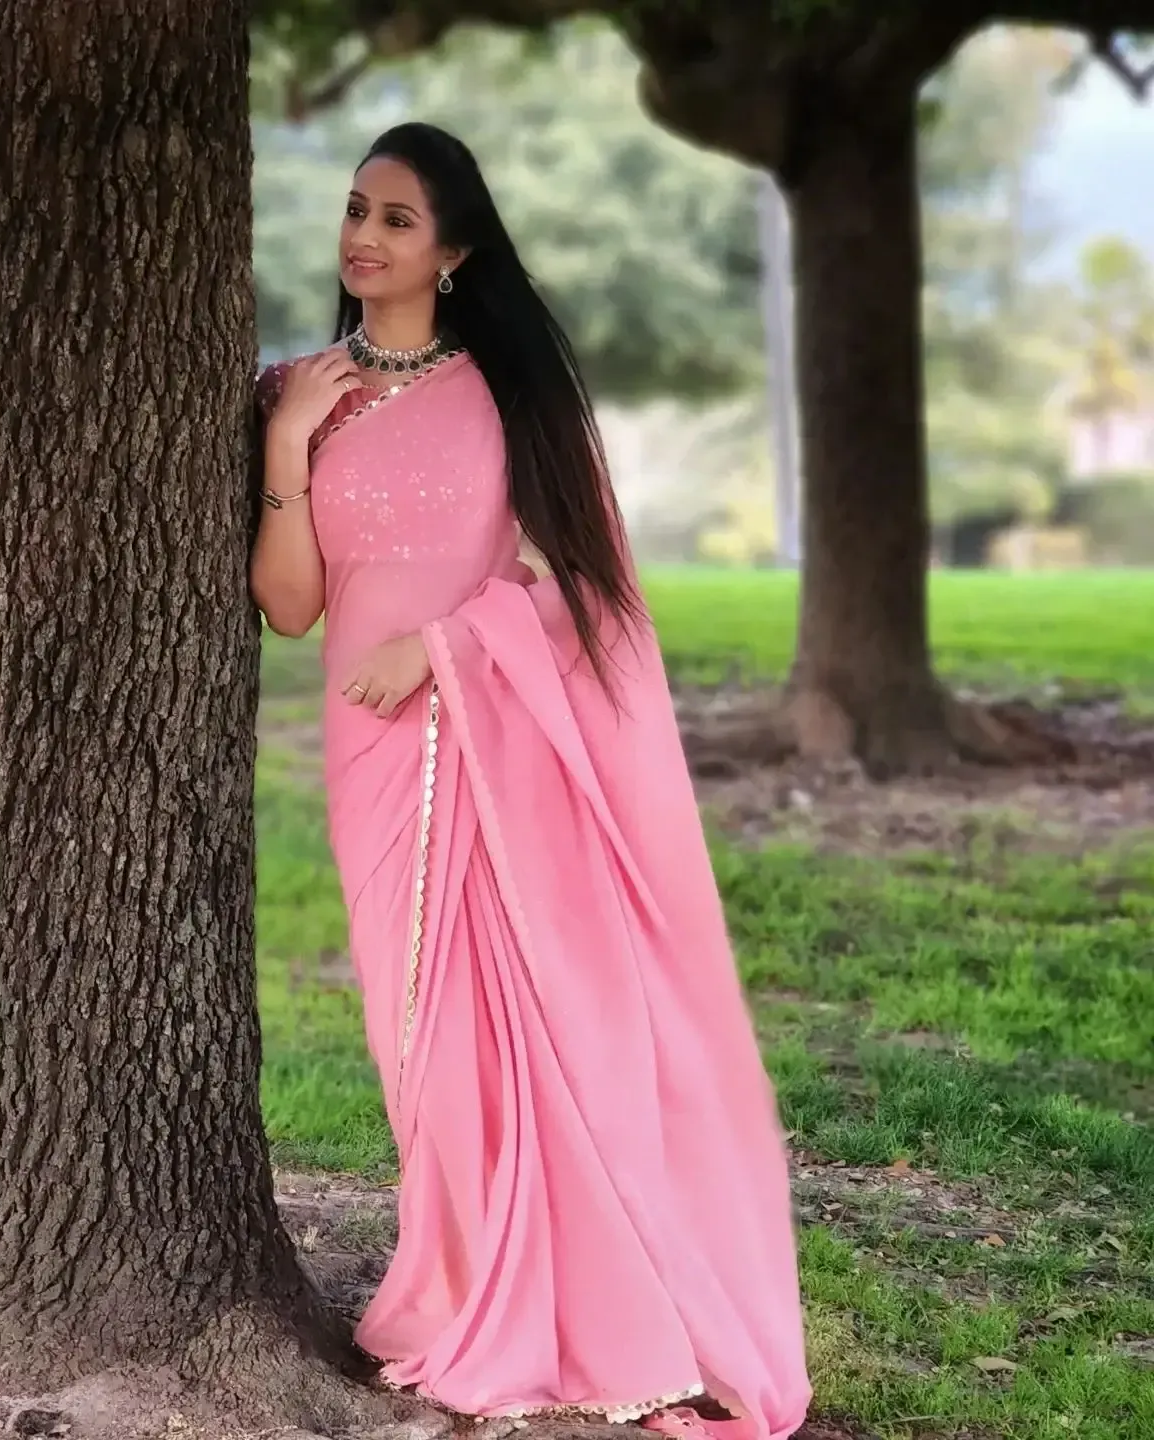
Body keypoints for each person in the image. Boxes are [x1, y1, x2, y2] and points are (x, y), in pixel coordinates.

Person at [249, 123, 810, 1440]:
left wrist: (444, 646)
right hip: (367, 750)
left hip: (488, 739)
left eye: (396, 220)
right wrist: (285, 448)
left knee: (497, 1027)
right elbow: (287, 608)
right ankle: (458, 1280)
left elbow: (590, 598)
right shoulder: (301, 387)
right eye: (355, 210)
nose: (364, 238)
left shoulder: (512, 395)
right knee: (410, 1034)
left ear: (453, 251)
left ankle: (542, 1303)